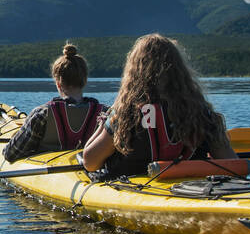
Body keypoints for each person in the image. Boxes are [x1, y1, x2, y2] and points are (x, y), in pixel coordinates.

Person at [80, 33, 234, 176]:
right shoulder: (200, 112)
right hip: (191, 188)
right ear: (179, 70)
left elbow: (90, 162)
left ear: (135, 72)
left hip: (135, 189)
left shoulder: (127, 114)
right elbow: (232, 164)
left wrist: (105, 121)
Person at [3, 42, 106, 163]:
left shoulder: (42, 114)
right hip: (88, 173)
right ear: (85, 81)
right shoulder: (105, 113)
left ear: (58, 83)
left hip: (50, 175)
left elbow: (9, 154)